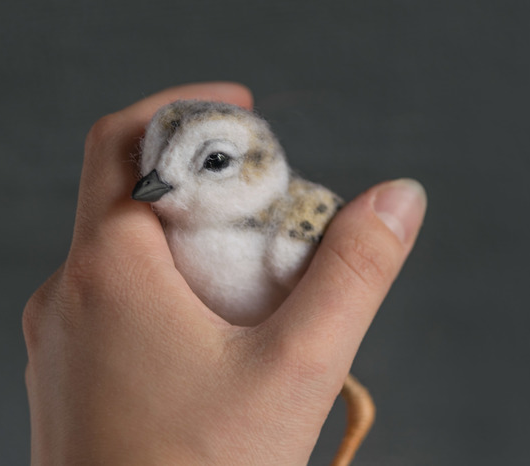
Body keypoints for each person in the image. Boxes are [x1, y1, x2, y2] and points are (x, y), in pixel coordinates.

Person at [22, 82, 427, 465]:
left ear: (260, 164)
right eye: (153, 154)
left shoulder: (294, 228)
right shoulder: (152, 239)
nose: (156, 182)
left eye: (214, 161)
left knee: (350, 394)